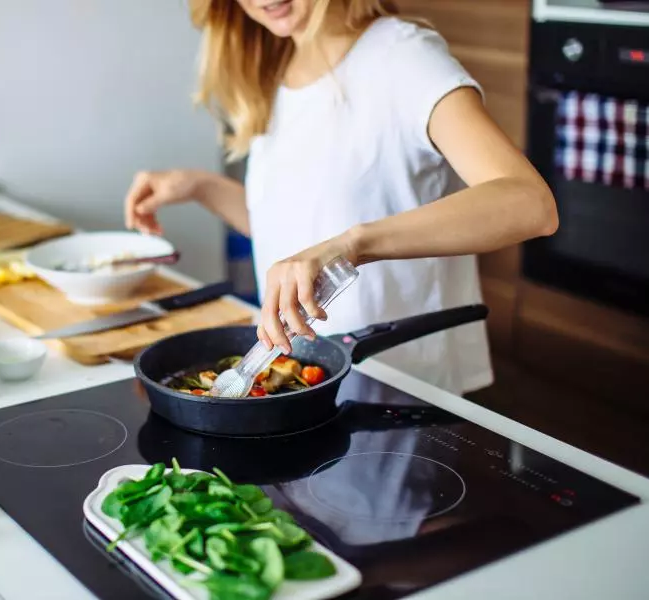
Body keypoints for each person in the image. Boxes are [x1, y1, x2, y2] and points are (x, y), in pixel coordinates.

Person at [123, 0, 558, 396]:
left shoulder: (403, 57)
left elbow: (530, 204)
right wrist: (201, 187)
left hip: (396, 386)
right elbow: (297, 233)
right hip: (302, 383)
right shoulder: (281, 64)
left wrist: (352, 246)